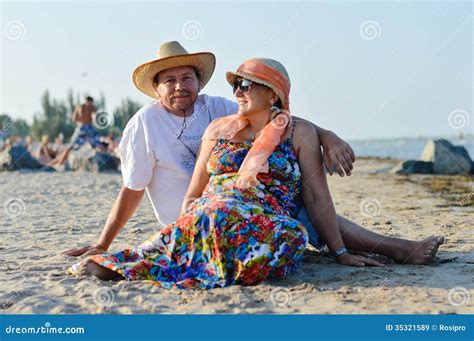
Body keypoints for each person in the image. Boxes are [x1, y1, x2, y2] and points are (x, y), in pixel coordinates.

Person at [63, 42, 444, 267]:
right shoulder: (143, 125)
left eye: (187, 78)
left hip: (247, 201)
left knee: (306, 201)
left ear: (198, 81)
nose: (181, 87)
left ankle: (387, 249)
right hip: (196, 211)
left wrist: (324, 135)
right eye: (170, 80)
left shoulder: (214, 108)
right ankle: (395, 249)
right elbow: (131, 190)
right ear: (157, 88)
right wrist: (103, 242)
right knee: (303, 207)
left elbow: (270, 116)